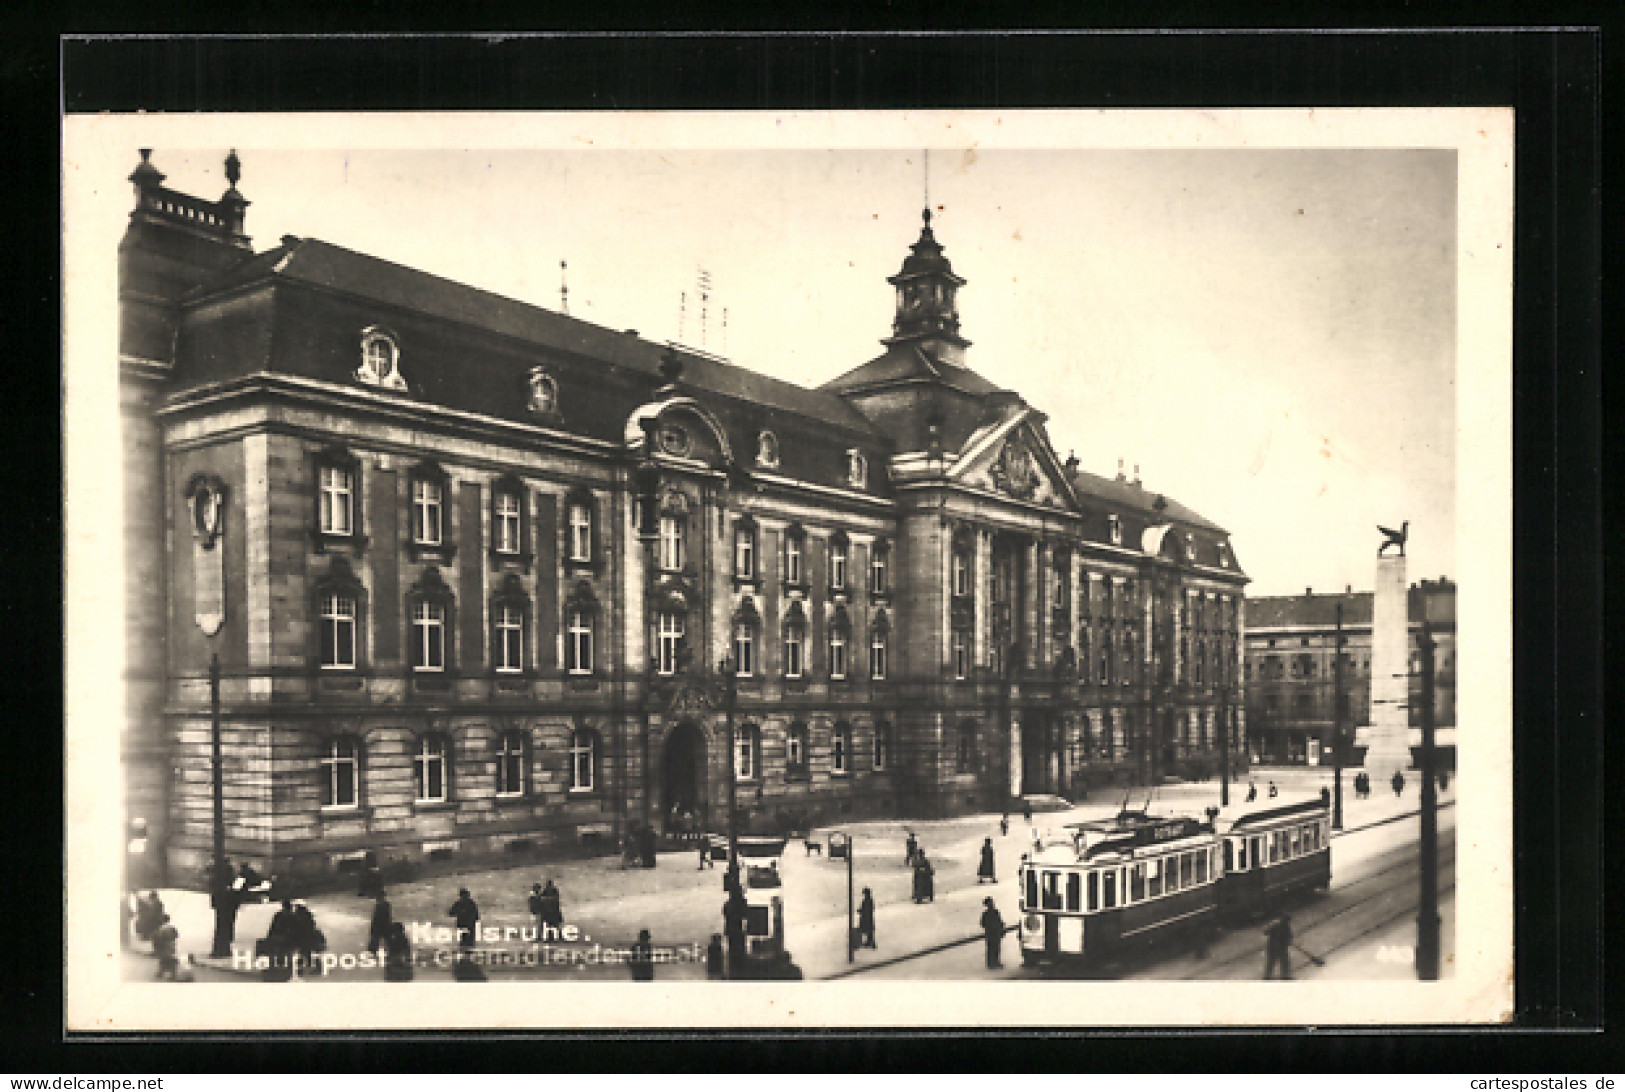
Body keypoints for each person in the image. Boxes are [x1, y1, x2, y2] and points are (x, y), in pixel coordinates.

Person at [1263, 912, 1293, 980]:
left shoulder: (1286, 926)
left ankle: (1285, 976)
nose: (1287, 922)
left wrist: (1288, 941)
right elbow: (1265, 932)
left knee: (1284, 961)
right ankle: (1267, 977)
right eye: (1286, 920)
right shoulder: (1275, 924)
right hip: (1273, 947)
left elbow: (1290, 936)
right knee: (1272, 961)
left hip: (1280, 947)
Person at [152, 914, 180, 980]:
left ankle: (161, 973)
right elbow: (176, 935)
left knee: (163, 960)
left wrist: (156, 948)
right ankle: (173, 974)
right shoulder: (172, 928)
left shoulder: (161, 929)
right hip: (171, 945)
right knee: (171, 960)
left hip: (164, 946)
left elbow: (158, 938)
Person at [980, 898, 1005, 970]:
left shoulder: (989, 913)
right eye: (991, 903)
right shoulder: (992, 913)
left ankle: (993, 963)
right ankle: (993, 963)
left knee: (993, 948)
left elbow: (983, 924)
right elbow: (983, 923)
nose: (992, 904)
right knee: (993, 948)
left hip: (992, 933)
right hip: (993, 933)